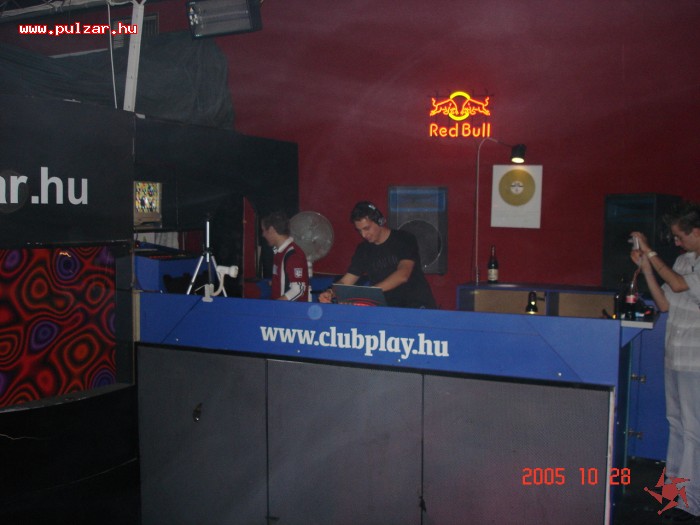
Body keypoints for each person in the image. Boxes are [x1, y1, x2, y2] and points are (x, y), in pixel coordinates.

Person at [630, 201, 700, 522]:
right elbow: (665, 303)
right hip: (675, 354)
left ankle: (691, 502)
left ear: (697, 232)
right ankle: (674, 493)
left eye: (679, 236)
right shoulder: (684, 260)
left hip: (696, 359)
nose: (676, 242)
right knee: (677, 424)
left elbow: (680, 284)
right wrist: (646, 267)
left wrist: (651, 252)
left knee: (694, 430)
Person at [319, 201, 436, 309]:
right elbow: (346, 280)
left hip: (417, 306)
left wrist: (369, 293)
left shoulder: (404, 239)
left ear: (380, 221)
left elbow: (403, 274)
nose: (364, 235)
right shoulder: (363, 250)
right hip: (389, 310)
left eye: (367, 228)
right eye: (359, 231)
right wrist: (331, 292)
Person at [261, 211, 310, 301]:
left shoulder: (293, 255)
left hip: (288, 309)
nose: (263, 234)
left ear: (271, 230)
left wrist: (275, 305)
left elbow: (298, 290)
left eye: (264, 230)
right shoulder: (279, 252)